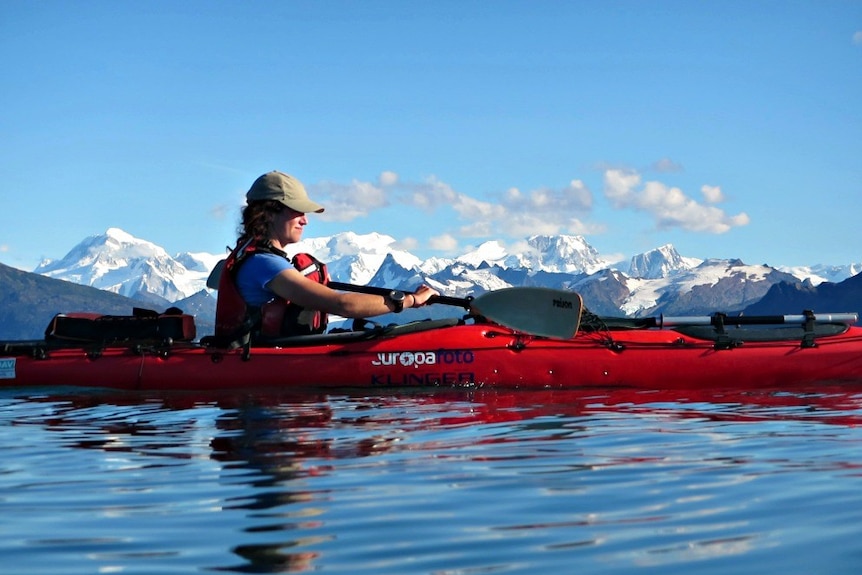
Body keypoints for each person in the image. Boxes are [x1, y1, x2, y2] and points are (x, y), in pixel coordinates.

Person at [219, 170, 439, 341]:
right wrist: (410, 300)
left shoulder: (250, 256)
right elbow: (342, 305)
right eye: (297, 211)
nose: (305, 220)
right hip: (262, 365)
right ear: (268, 212)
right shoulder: (265, 264)